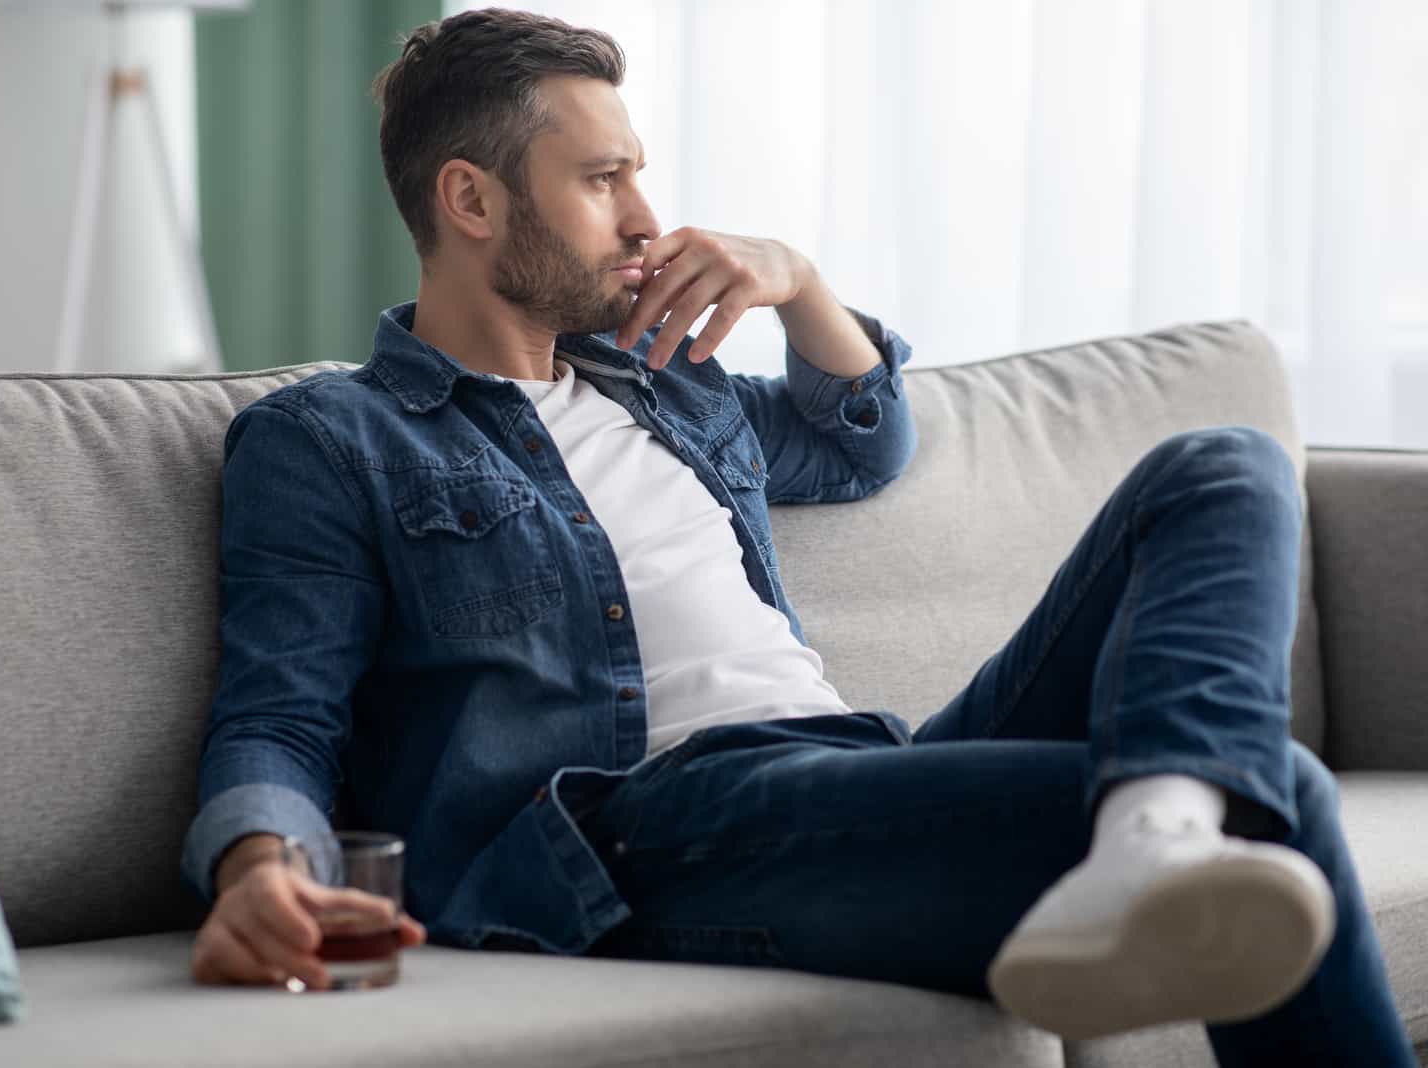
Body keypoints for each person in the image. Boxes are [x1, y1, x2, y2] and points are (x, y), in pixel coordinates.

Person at [181, 7, 1414, 1063]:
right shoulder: (334, 438)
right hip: (648, 827)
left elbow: (862, 441)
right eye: (603, 179)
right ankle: (1176, 823)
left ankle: (1160, 825)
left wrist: (800, 282)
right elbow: (280, 712)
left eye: (637, 174)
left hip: (852, 761)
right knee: (1280, 793)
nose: (645, 216)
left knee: (1221, 463)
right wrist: (257, 871)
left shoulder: (663, 383)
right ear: (472, 200)